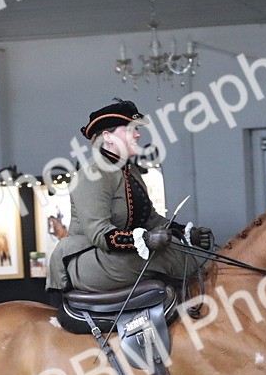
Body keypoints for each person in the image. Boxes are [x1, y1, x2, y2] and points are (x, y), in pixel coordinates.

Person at [47, 99, 214, 293]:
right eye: (130, 129)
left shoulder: (130, 170)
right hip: (88, 258)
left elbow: (151, 219)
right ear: (108, 137)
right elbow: (100, 234)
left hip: (116, 255)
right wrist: (148, 239)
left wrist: (185, 233)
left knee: (180, 249)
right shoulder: (93, 174)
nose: (138, 134)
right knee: (165, 256)